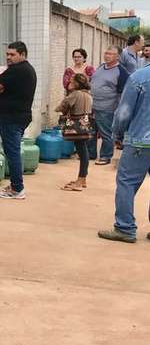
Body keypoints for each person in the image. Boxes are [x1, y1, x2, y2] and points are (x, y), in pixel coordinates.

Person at [97, 64, 150, 243]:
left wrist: (117, 135)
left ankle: (125, 228)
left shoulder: (139, 77)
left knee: (126, 182)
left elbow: (124, 113)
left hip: (140, 140)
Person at [0, 41, 37, 200]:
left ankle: (17, 188)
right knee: (13, 151)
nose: (8, 57)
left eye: (12, 54)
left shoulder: (16, 70)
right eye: (7, 54)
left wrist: (0, 80)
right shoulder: (28, 69)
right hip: (20, 117)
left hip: (11, 118)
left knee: (12, 153)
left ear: (23, 54)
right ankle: (15, 185)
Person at [89, 46, 129, 165]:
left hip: (108, 108)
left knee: (106, 133)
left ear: (118, 56)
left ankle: (106, 156)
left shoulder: (121, 72)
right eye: (106, 53)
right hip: (93, 105)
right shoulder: (101, 67)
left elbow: (123, 93)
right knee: (91, 131)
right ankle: (91, 154)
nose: (107, 55)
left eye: (111, 54)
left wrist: (119, 110)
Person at [55, 73, 93, 192]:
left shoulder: (76, 94)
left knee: (82, 152)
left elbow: (62, 106)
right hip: (86, 124)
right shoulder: (88, 95)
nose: (69, 83)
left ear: (76, 83)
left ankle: (80, 180)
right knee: (83, 151)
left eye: (71, 81)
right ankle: (82, 179)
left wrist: (59, 108)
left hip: (77, 126)